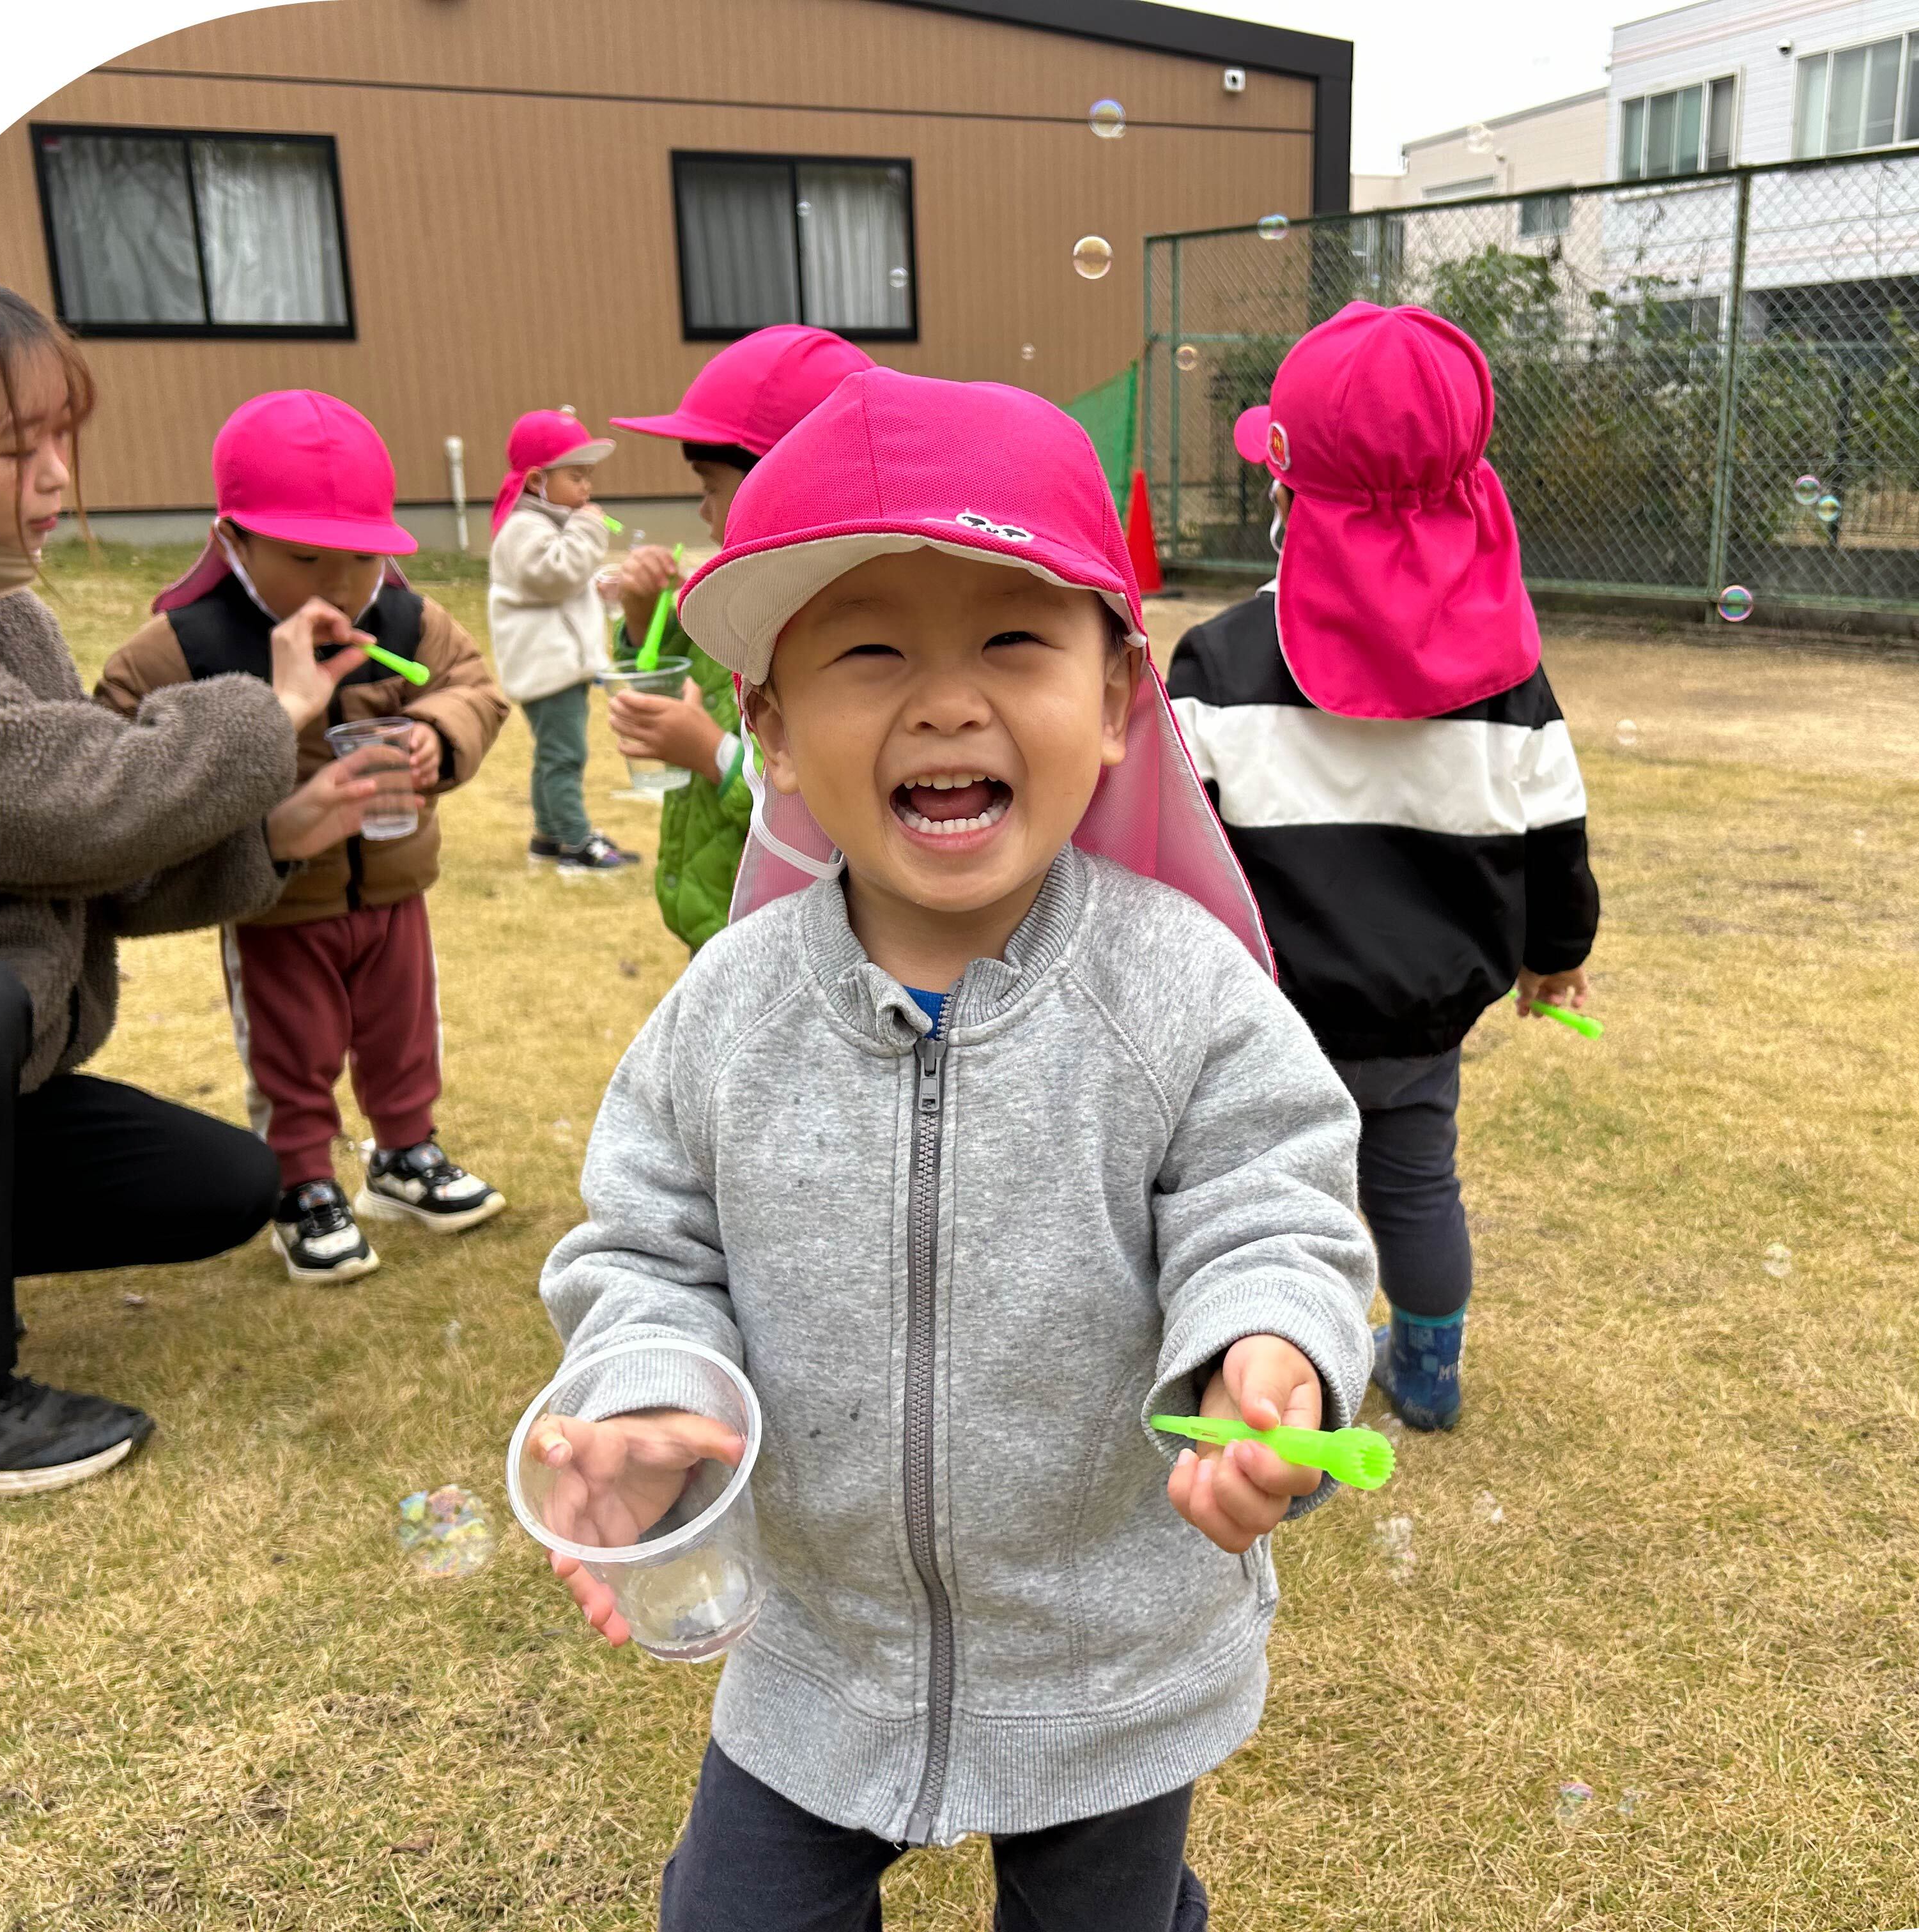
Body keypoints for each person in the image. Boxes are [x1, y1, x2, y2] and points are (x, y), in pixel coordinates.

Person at [527, 371, 1375, 1931]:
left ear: (1116, 699)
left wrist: (1265, 1347)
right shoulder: (730, 1009)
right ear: (769, 727)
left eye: (1012, 643)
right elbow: (647, 1243)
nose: (945, 703)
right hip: (820, 1645)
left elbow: (1271, 1203)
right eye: (868, 653)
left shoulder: (1178, 988)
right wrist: (648, 1386)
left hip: (1109, 1650)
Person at [0, 254, 399, 1496]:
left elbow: (86, 867)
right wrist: (269, 711)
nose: (56, 478)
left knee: (223, 1186)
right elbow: (69, 802)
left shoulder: (0, 613)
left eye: (60, 438)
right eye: (15, 446)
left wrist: (277, 835)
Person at [1167, 302, 1601, 1433]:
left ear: (1287, 499)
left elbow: (1174, 848)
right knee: (1415, 1186)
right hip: (1423, 1020)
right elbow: (1556, 833)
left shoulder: (1216, 662)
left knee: (1263, 1197)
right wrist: (1556, 956)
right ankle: (1425, 1370)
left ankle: (1260, 1374)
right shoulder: (1511, 674)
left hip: (1263, 1017)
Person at [97, 391, 512, 1284]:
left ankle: (404, 1153)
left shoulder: (405, 620)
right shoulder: (184, 647)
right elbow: (122, 749)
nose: (342, 584)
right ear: (233, 542)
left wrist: (438, 733)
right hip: (274, 903)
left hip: (394, 886)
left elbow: (473, 685)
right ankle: (302, 1183)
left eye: (362, 556)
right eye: (306, 557)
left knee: (404, 1032)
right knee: (293, 1050)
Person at [603, 324, 872, 949]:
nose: (702, 510)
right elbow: (691, 664)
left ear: (779, 485)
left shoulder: (846, 638)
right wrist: (643, 619)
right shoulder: (744, 602)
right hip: (722, 926)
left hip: (786, 945)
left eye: (709, 487)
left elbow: (830, 825)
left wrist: (712, 756)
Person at [486, 406, 637, 875]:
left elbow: (561, 585)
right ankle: (576, 841)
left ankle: (548, 836)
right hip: (548, 668)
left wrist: (599, 589)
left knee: (551, 755)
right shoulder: (524, 527)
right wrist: (589, 527)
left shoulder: (544, 525)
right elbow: (555, 575)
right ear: (537, 481)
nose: (587, 487)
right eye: (576, 476)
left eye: (588, 476)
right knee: (565, 757)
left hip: (556, 666)